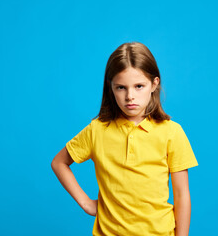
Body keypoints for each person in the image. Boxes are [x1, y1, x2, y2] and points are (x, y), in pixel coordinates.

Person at [51, 42, 199, 236]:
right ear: (110, 87)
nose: (130, 96)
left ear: (154, 84)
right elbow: (59, 162)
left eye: (139, 86)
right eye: (121, 87)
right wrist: (86, 204)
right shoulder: (97, 130)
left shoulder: (172, 132)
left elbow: (181, 195)